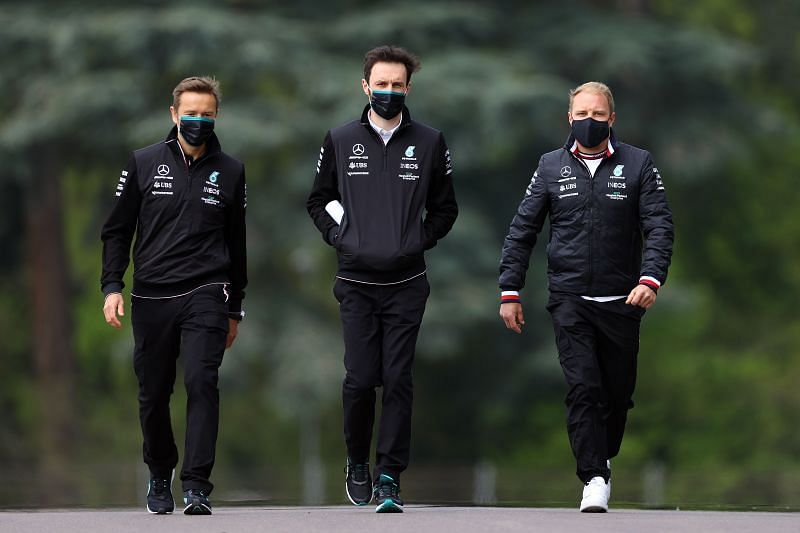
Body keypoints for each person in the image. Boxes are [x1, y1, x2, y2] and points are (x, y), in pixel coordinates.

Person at [498, 81, 673, 512]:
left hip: (623, 301)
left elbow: (659, 227)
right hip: (569, 298)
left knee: (617, 395)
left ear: (611, 119)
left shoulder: (639, 165)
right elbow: (523, 231)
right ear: (569, 118)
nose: (589, 122)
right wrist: (510, 289)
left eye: (598, 115)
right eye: (581, 114)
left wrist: (650, 280)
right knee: (582, 388)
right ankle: (593, 477)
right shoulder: (550, 166)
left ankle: (604, 455)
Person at [307, 45, 458, 513]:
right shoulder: (339, 138)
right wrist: (341, 236)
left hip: (407, 282)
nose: (389, 92)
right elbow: (319, 200)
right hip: (354, 281)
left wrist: (415, 240)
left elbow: (446, 208)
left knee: (397, 379)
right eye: (381, 84)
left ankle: (389, 475)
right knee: (359, 379)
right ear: (365, 86)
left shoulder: (431, 142)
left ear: (408, 88)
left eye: (397, 85)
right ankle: (356, 461)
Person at [101, 76, 247, 516]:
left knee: (202, 381)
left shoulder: (232, 170)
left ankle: (197, 485)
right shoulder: (144, 162)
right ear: (173, 114)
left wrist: (235, 307)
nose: (197, 121)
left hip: (207, 290)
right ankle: (160, 473)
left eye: (206, 114)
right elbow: (117, 230)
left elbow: (237, 244)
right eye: (190, 113)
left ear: (216, 116)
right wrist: (112, 286)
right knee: (153, 392)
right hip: (151, 294)